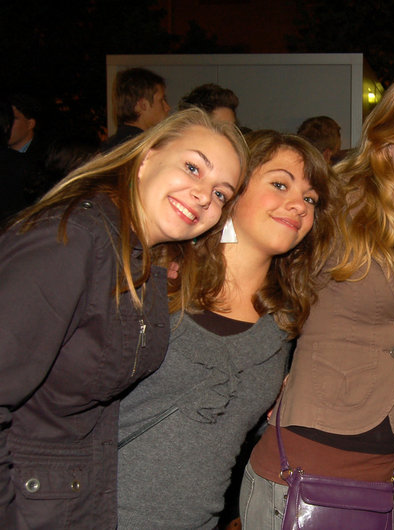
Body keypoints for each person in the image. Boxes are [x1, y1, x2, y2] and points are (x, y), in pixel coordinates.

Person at [239, 67, 394, 530]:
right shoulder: (335, 208)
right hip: (300, 479)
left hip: (382, 480)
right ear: (387, 142)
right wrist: (265, 378)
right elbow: (256, 280)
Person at [0, 108, 247, 528]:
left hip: (73, 502)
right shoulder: (73, 240)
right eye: (193, 168)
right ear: (147, 158)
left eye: (221, 193)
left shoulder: (139, 258)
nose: (204, 196)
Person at [117, 130, 334, 529]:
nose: (298, 205)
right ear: (233, 191)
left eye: (310, 199)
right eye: (280, 184)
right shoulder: (158, 279)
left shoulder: (286, 321)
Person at [101, 67, 171, 152]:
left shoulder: (109, 148)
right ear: (142, 105)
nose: (167, 107)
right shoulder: (147, 151)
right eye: (161, 100)